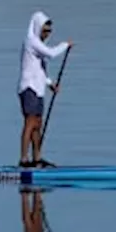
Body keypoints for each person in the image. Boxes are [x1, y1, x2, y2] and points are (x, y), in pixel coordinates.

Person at [18, 11, 72, 166]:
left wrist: (50, 84)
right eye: (45, 30)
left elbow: (39, 70)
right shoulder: (31, 41)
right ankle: (23, 159)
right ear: (37, 27)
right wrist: (65, 45)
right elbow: (51, 54)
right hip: (28, 88)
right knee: (30, 122)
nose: (47, 34)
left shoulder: (39, 45)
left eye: (49, 31)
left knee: (38, 124)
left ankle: (37, 159)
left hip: (38, 88)